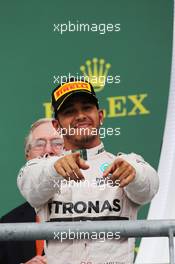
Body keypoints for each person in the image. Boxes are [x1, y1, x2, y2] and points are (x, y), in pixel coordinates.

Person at [17, 79, 159, 264]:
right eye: (69, 112)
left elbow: (149, 189)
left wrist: (135, 175)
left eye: (87, 108)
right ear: (57, 126)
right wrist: (54, 169)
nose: (80, 116)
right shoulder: (43, 168)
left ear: (100, 116)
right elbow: (30, 186)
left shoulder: (126, 163)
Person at [0, 118, 64, 264]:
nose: (48, 150)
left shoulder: (95, 211)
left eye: (57, 144)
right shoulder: (8, 224)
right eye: (39, 144)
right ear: (27, 156)